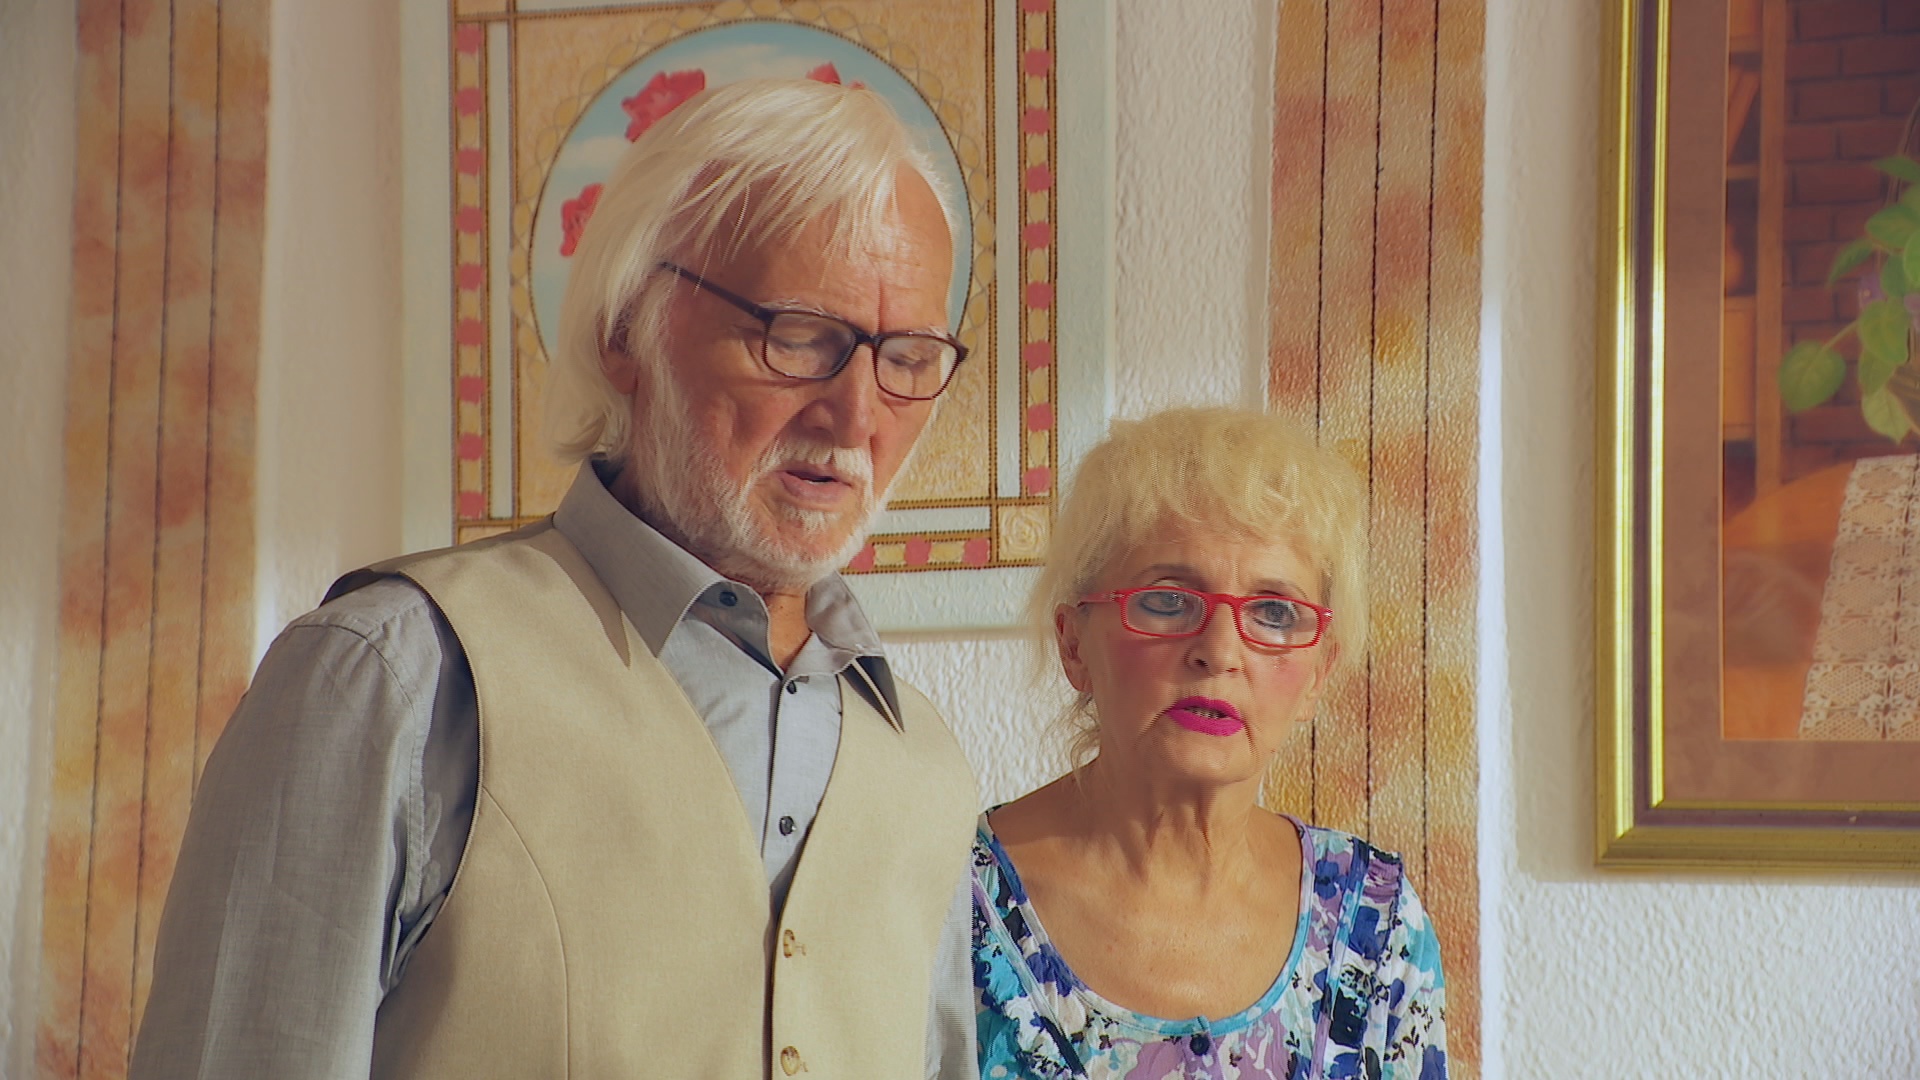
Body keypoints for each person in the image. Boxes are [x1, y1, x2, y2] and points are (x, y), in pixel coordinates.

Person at [132, 79, 981, 1079]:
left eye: (908, 357)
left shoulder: (927, 766)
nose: (857, 415)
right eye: (799, 336)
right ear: (626, 328)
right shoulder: (390, 677)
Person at [972, 407, 1447, 1079]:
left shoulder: (1379, 923)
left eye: (1275, 612)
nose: (1220, 651)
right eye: (1168, 600)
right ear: (1074, 644)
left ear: (1318, 675)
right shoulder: (950, 904)